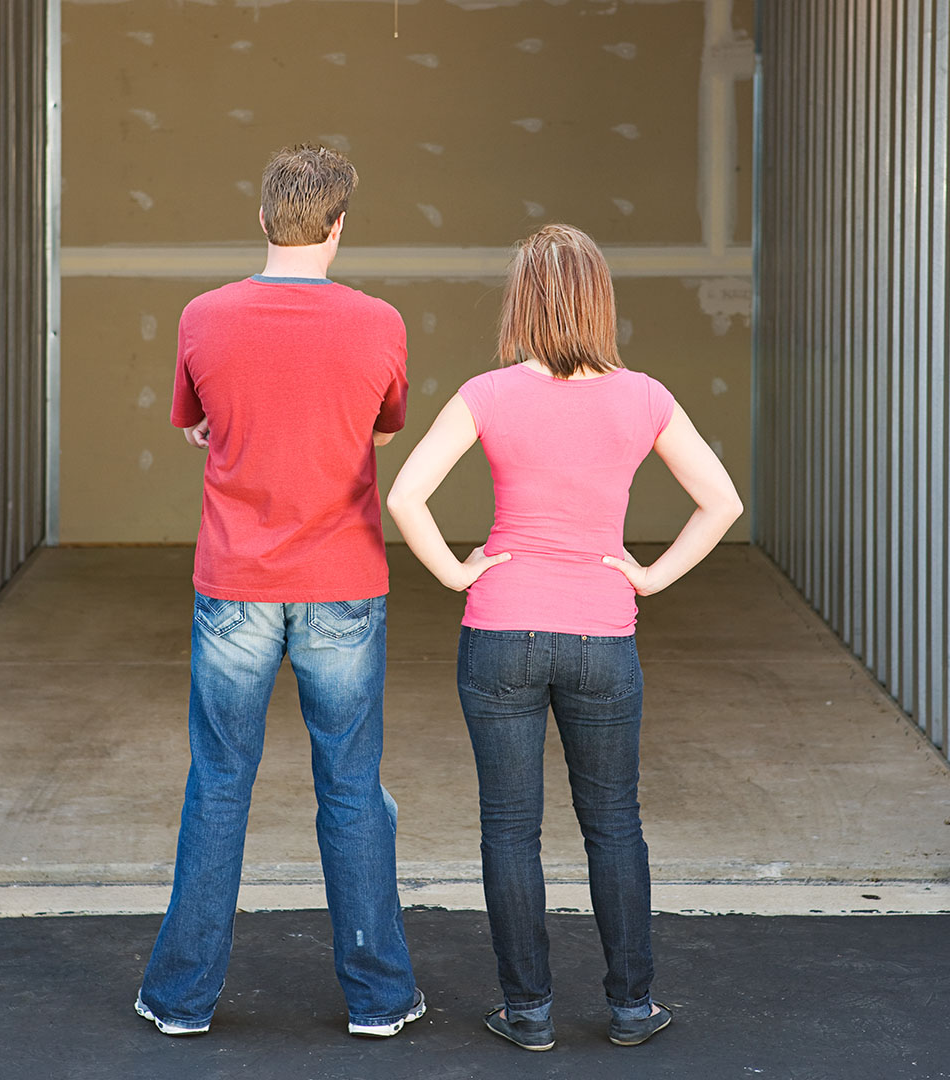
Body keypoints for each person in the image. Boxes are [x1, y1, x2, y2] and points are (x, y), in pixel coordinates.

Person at [386, 224, 743, 1052]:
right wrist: (649, 576)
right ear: (599, 301)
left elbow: (407, 496)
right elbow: (721, 502)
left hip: (502, 627)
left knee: (509, 829)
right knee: (614, 822)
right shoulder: (644, 396)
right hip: (602, 637)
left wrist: (455, 570)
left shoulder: (488, 393)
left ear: (524, 301)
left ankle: (529, 1013)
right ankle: (630, 1007)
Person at [136, 144, 424, 1039]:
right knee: (350, 787)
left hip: (235, 586)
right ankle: (378, 998)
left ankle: (181, 998)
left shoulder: (203, 316)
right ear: (339, 227)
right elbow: (378, 430)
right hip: (342, 583)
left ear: (264, 221)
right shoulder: (380, 322)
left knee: (219, 781)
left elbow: (197, 425)